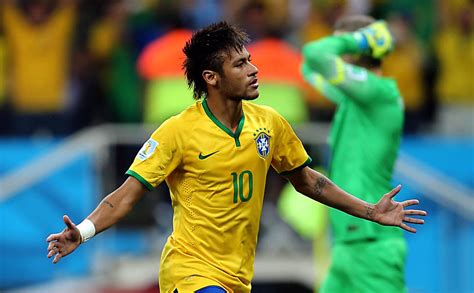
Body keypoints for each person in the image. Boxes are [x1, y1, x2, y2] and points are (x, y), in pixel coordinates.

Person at [47, 21, 426, 293]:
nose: (254, 69)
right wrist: (82, 231)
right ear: (212, 77)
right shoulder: (177, 131)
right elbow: (125, 196)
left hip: (238, 277)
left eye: (250, 59)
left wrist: (370, 211)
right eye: (240, 64)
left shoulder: (270, 124)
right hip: (189, 274)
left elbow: (310, 182)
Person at [301, 16, 411, 292]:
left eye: (342, 44)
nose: (338, 51)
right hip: (345, 248)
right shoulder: (356, 98)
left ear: (357, 49)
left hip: (373, 248)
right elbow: (307, 67)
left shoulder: (380, 93)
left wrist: (360, 38)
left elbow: (315, 55)